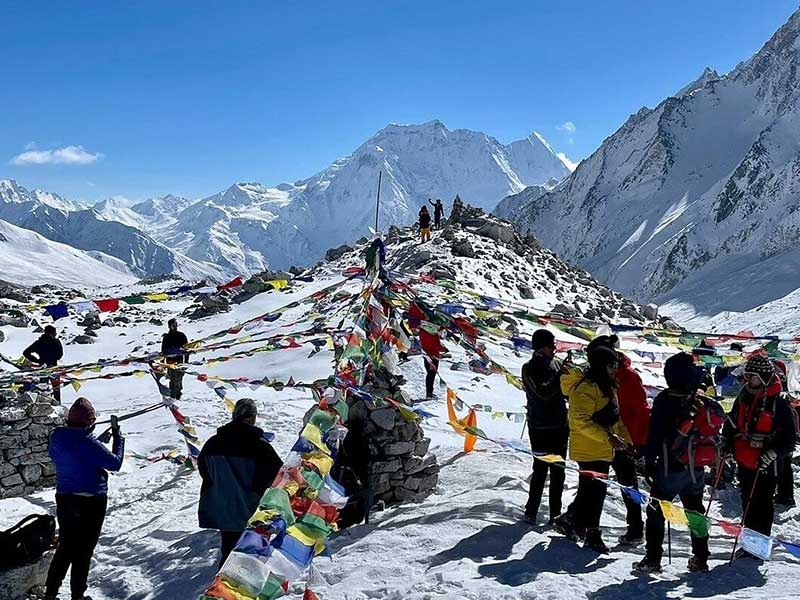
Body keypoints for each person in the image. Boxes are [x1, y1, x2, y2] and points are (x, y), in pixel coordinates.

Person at [633, 353, 711, 574]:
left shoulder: (665, 400)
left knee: (656, 510)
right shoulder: (699, 398)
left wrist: (649, 461)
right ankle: (701, 557)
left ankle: (653, 558)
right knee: (695, 511)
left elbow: (655, 434)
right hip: (696, 467)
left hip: (670, 466)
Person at [45, 398, 124, 600]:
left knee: (65, 547)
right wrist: (118, 439)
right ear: (90, 421)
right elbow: (114, 464)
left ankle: (51, 593)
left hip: (65, 497)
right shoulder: (90, 443)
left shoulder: (57, 437)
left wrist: (97, 442)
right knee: (84, 550)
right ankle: (77, 595)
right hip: (92, 500)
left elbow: (76, 451)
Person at [721, 354, 797, 555]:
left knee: (763, 505)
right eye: (747, 376)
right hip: (744, 458)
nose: (748, 380)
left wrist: (772, 453)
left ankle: (759, 548)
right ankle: (749, 544)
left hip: (766, 463)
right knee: (747, 501)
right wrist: (726, 441)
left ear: (763, 377)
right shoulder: (745, 395)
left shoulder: (779, 403)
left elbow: (790, 440)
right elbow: (732, 421)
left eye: (752, 377)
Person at [198, 398, 282, 568]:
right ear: (252, 417)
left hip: (222, 509)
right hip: (251, 510)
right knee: (251, 555)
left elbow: (205, 473)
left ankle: (222, 589)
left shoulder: (212, 444)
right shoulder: (259, 446)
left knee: (228, 551)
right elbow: (278, 477)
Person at [553, 345, 622, 553]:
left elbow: (612, 417)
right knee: (595, 492)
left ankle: (570, 520)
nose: (614, 369)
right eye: (612, 365)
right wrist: (608, 437)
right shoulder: (586, 388)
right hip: (589, 447)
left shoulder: (605, 386)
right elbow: (579, 421)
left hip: (601, 447)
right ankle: (592, 533)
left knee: (589, 491)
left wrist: (619, 439)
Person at [586, 335, 649, 546]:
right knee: (596, 480)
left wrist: (638, 441)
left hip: (624, 438)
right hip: (607, 436)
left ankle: (636, 528)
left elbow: (639, 411)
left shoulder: (627, 377)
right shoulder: (603, 376)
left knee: (626, 483)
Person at [521, 329, 568, 524]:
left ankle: (555, 513)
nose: (554, 349)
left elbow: (562, 391)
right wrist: (559, 377)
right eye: (551, 345)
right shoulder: (529, 367)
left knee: (558, 472)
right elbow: (544, 392)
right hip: (541, 426)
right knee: (540, 470)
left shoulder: (556, 364)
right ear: (542, 347)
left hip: (557, 425)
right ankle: (531, 510)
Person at [773, 361, 798, 508]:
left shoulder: (780, 399)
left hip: (782, 435)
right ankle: (785, 494)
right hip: (786, 434)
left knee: (783, 466)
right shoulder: (785, 396)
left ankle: (785, 495)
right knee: (785, 466)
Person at [408, 303, 443, 399]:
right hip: (432, 355)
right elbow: (434, 343)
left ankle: (429, 393)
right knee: (431, 374)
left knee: (430, 373)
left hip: (427, 354)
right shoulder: (430, 332)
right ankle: (429, 394)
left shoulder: (423, 331)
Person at [23, 325, 64, 402]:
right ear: (51, 333)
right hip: (54, 368)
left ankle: (44, 405)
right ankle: (57, 405)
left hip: (43, 368)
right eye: (55, 332)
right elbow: (59, 356)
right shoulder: (56, 342)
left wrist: (38, 361)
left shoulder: (39, 342)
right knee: (56, 390)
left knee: (43, 389)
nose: (56, 334)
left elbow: (26, 353)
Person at [161, 318, 189, 400]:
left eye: (176, 325)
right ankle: (172, 394)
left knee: (179, 377)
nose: (176, 326)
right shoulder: (166, 337)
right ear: (170, 326)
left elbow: (186, 349)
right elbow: (163, 350)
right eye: (174, 325)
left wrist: (186, 361)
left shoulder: (181, 335)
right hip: (170, 361)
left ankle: (178, 394)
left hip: (180, 361)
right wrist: (162, 362)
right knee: (172, 378)